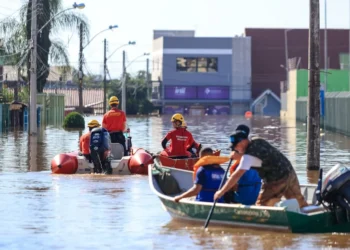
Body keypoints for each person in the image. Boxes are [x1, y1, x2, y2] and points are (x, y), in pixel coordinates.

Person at [214, 125, 308, 208]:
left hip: (276, 179)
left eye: (235, 147)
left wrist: (221, 192)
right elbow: (259, 157)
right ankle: (308, 215)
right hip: (289, 172)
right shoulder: (258, 140)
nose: (235, 149)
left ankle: (267, 223)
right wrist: (240, 156)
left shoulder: (247, 158)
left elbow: (236, 175)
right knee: (299, 201)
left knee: (261, 205)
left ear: (242, 142)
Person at [224, 125, 262, 205]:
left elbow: (234, 183)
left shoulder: (242, 164)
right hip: (256, 193)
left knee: (223, 190)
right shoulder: (255, 153)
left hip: (244, 197)